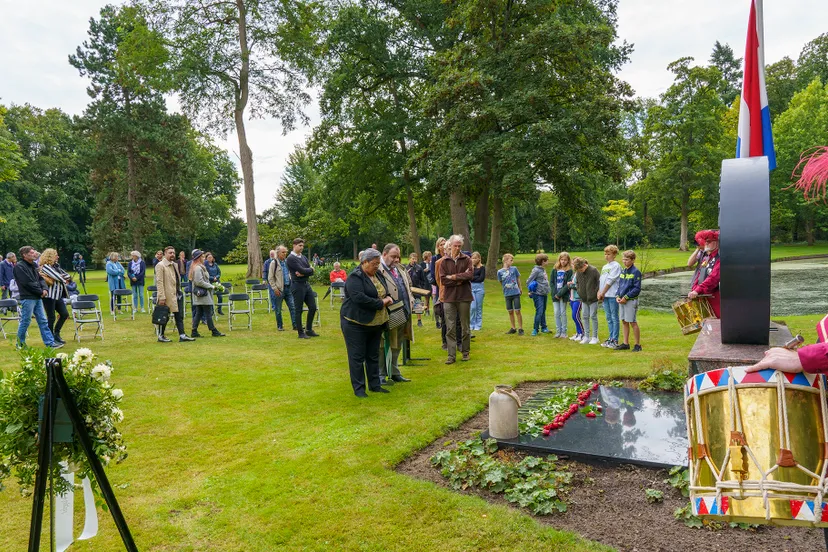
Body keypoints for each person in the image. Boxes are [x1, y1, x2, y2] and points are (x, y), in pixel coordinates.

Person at [341, 248, 394, 397]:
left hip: (375, 323)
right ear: (364, 262)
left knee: (373, 355)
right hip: (355, 323)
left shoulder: (377, 274)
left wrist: (388, 297)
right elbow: (360, 299)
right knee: (357, 357)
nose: (377, 266)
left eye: (378, 263)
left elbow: (384, 290)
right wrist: (382, 303)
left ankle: (375, 385)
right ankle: (359, 390)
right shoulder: (354, 277)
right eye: (374, 264)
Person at [13, 245, 62, 349]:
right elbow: (27, 283)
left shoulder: (34, 265)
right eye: (31, 252)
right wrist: (40, 291)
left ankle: (50, 343)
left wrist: (45, 289)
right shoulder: (19, 267)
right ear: (24, 255)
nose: (34, 253)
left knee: (43, 321)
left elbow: (40, 279)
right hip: (28, 297)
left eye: (34, 251)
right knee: (25, 321)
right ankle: (20, 343)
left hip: (37, 297)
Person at [378, 244, 413, 382]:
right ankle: (381, 375)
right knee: (383, 345)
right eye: (393, 256)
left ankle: (394, 372)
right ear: (384, 254)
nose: (397, 259)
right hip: (387, 314)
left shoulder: (399, 268)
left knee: (398, 343)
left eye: (398, 257)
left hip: (403, 311)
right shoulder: (378, 270)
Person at [439, 235, 473, 364]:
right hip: (449, 298)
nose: (457, 248)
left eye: (459, 246)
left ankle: (465, 352)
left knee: (465, 326)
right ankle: (451, 355)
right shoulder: (444, 261)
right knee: (450, 327)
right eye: (455, 245)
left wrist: (453, 277)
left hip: (464, 297)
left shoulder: (467, 259)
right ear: (450, 245)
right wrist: (459, 280)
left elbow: (470, 275)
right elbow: (443, 280)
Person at [155, 246, 195, 343]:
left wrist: (179, 291)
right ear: (165, 254)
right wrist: (162, 297)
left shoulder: (175, 264)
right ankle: (161, 335)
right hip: (167, 295)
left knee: (179, 316)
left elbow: (177, 279)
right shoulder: (160, 265)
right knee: (164, 315)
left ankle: (182, 335)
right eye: (170, 253)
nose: (172, 254)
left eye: (173, 252)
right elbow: (159, 282)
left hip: (177, 294)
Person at [188, 249, 225, 338]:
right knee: (208, 312)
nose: (204, 258)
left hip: (202, 294)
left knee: (199, 313)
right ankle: (213, 330)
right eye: (202, 256)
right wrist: (211, 286)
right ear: (199, 258)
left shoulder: (200, 267)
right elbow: (199, 282)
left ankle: (194, 331)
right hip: (202, 294)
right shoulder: (197, 268)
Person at [286, 238, 318, 339]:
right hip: (297, 285)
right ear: (294, 245)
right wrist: (307, 270)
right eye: (300, 246)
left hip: (306, 284)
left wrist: (306, 271)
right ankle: (300, 332)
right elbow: (301, 269)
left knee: (313, 307)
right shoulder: (290, 258)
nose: (301, 248)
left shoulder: (303, 257)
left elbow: (309, 270)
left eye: (302, 246)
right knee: (298, 309)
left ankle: (308, 329)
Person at [39, 248, 71, 345]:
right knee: (51, 317)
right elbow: (60, 277)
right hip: (49, 296)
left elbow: (68, 276)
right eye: (56, 255)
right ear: (50, 256)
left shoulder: (56, 266)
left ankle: (56, 333)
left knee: (64, 314)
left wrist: (61, 277)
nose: (58, 256)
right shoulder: (45, 267)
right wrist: (61, 277)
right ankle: (50, 337)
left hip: (58, 295)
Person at [614, 250, 642, 352]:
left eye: (627, 260)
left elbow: (637, 289)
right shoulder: (623, 271)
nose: (624, 261)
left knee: (632, 322)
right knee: (624, 321)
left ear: (633, 260)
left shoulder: (636, 272)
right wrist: (617, 295)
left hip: (630, 301)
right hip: (621, 300)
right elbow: (620, 286)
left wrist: (626, 297)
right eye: (623, 259)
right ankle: (625, 343)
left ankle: (637, 345)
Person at [688, 230, 721, 318]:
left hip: (716, 298)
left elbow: (714, 278)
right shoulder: (706, 257)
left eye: (709, 241)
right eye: (705, 241)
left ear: (717, 242)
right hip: (704, 298)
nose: (706, 243)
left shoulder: (720, 257)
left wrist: (697, 290)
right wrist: (694, 290)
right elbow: (699, 275)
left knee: (717, 325)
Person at [267, 245, 297, 331]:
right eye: (283, 252)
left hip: (289, 288)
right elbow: (270, 278)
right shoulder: (274, 263)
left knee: (292, 307)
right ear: (278, 253)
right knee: (278, 309)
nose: (284, 254)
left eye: (285, 252)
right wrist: (275, 289)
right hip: (279, 289)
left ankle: (295, 325)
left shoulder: (287, 262)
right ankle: (280, 326)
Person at [597, 245, 621, 348]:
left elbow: (610, 281)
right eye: (605, 254)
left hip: (612, 295)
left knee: (614, 317)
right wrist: (599, 292)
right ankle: (610, 337)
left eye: (609, 254)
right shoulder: (604, 267)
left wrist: (603, 292)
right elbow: (601, 281)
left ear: (614, 255)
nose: (606, 256)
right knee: (608, 317)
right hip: (605, 295)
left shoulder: (616, 266)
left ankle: (615, 339)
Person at [573, 257, 600, 344]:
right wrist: (579, 291)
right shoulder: (578, 272)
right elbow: (577, 283)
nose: (580, 271)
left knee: (593, 316)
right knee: (585, 317)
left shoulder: (593, 270)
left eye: (581, 269)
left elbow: (599, 282)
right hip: (583, 298)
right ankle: (586, 336)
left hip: (593, 298)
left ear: (584, 265)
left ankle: (595, 337)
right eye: (578, 270)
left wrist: (595, 292)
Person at [497, 253, 524, 335]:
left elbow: (518, 278)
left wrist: (520, 288)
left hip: (515, 293)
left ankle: (520, 328)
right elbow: (501, 282)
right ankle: (513, 328)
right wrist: (505, 288)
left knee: (517, 310)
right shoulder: (500, 272)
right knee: (510, 311)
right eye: (511, 260)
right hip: (507, 294)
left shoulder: (514, 269)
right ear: (505, 261)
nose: (512, 262)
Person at [526, 253, 550, 336]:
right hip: (538, 294)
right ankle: (535, 329)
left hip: (544, 293)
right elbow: (528, 281)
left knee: (543, 310)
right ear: (543, 261)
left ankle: (544, 327)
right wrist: (530, 290)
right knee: (539, 311)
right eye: (547, 261)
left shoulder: (542, 269)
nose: (548, 262)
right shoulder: (536, 270)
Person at [551, 252, 573, 338]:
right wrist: (555, 293)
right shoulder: (554, 270)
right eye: (562, 260)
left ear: (568, 261)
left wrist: (560, 294)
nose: (563, 261)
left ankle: (564, 332)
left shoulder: (569, 271)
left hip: (563, 295)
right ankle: (558, 331)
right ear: (559, 260)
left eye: (565, 260)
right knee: (556, 313)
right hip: (555, 295)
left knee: (563, 313)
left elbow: (567, 285)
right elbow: (552, 282)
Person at [406, 253, 428, 327]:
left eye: (415, 259)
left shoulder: (419, 267)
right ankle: (408, 322)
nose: (414, 260)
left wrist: (422, 288)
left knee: (418, 304)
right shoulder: (406, 268)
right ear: (409, 259)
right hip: (408, 290)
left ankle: (419, 321)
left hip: (417, 289)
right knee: (408, 305)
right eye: (412, 258)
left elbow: (423, 279)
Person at [430, 237, 447, 330]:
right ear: (438, 247)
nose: (443, 246)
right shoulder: (435, 258)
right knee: (438, 303)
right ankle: (438, 321)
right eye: (441, 244)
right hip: (438, 284)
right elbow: (433, 273)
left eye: (445, 244)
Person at [466, 252, 485, 332]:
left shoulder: (482, 268)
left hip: (479, 289)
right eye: (472, 258)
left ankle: (478, 325)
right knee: (473, 307)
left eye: (475, 258)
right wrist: (474, 277)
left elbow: (481, 278)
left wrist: (473, 278)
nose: (473, 260)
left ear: (479, 259)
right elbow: (468, 277)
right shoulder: (470, 268)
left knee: (479, 307)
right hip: (471, 288)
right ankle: (471, 324)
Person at [568, 269, 584, 341]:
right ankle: (578, 333)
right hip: (572, 298)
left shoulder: (580, 274)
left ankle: (582, 333)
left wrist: (571, 285)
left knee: (575, 316)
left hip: (578, 298)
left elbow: (580, 285)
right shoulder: (574, 274)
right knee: (576, 317)